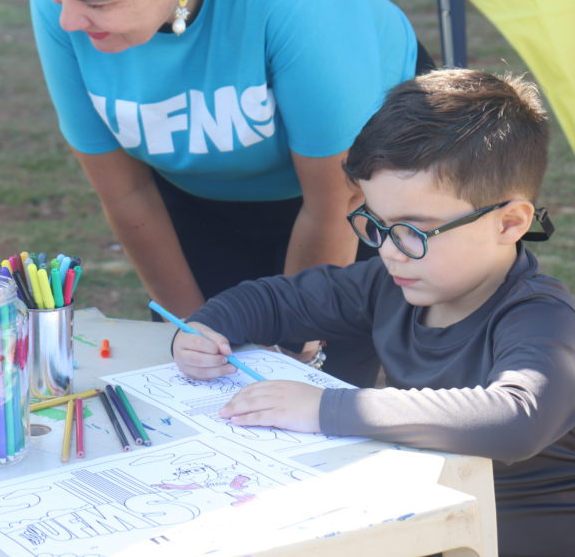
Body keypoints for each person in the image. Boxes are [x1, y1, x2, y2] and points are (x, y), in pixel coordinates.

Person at [24, 0, 433, 386]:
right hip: (200, 191)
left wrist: (291, 351)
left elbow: (336, 201)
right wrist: (192, 329)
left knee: (322, 388)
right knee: (197, 376)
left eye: (96, 4)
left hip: (361, 182)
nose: (67, 20)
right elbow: (126, 193)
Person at [173, 69, 572, 556]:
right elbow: (273, 301)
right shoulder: (389, 285)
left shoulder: (543, 318)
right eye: (377, 224)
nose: (388, 250)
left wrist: (325, 408)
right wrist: (205, 327)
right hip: (424, 523)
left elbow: (516, 420)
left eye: (414, 230)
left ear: (509, 223)